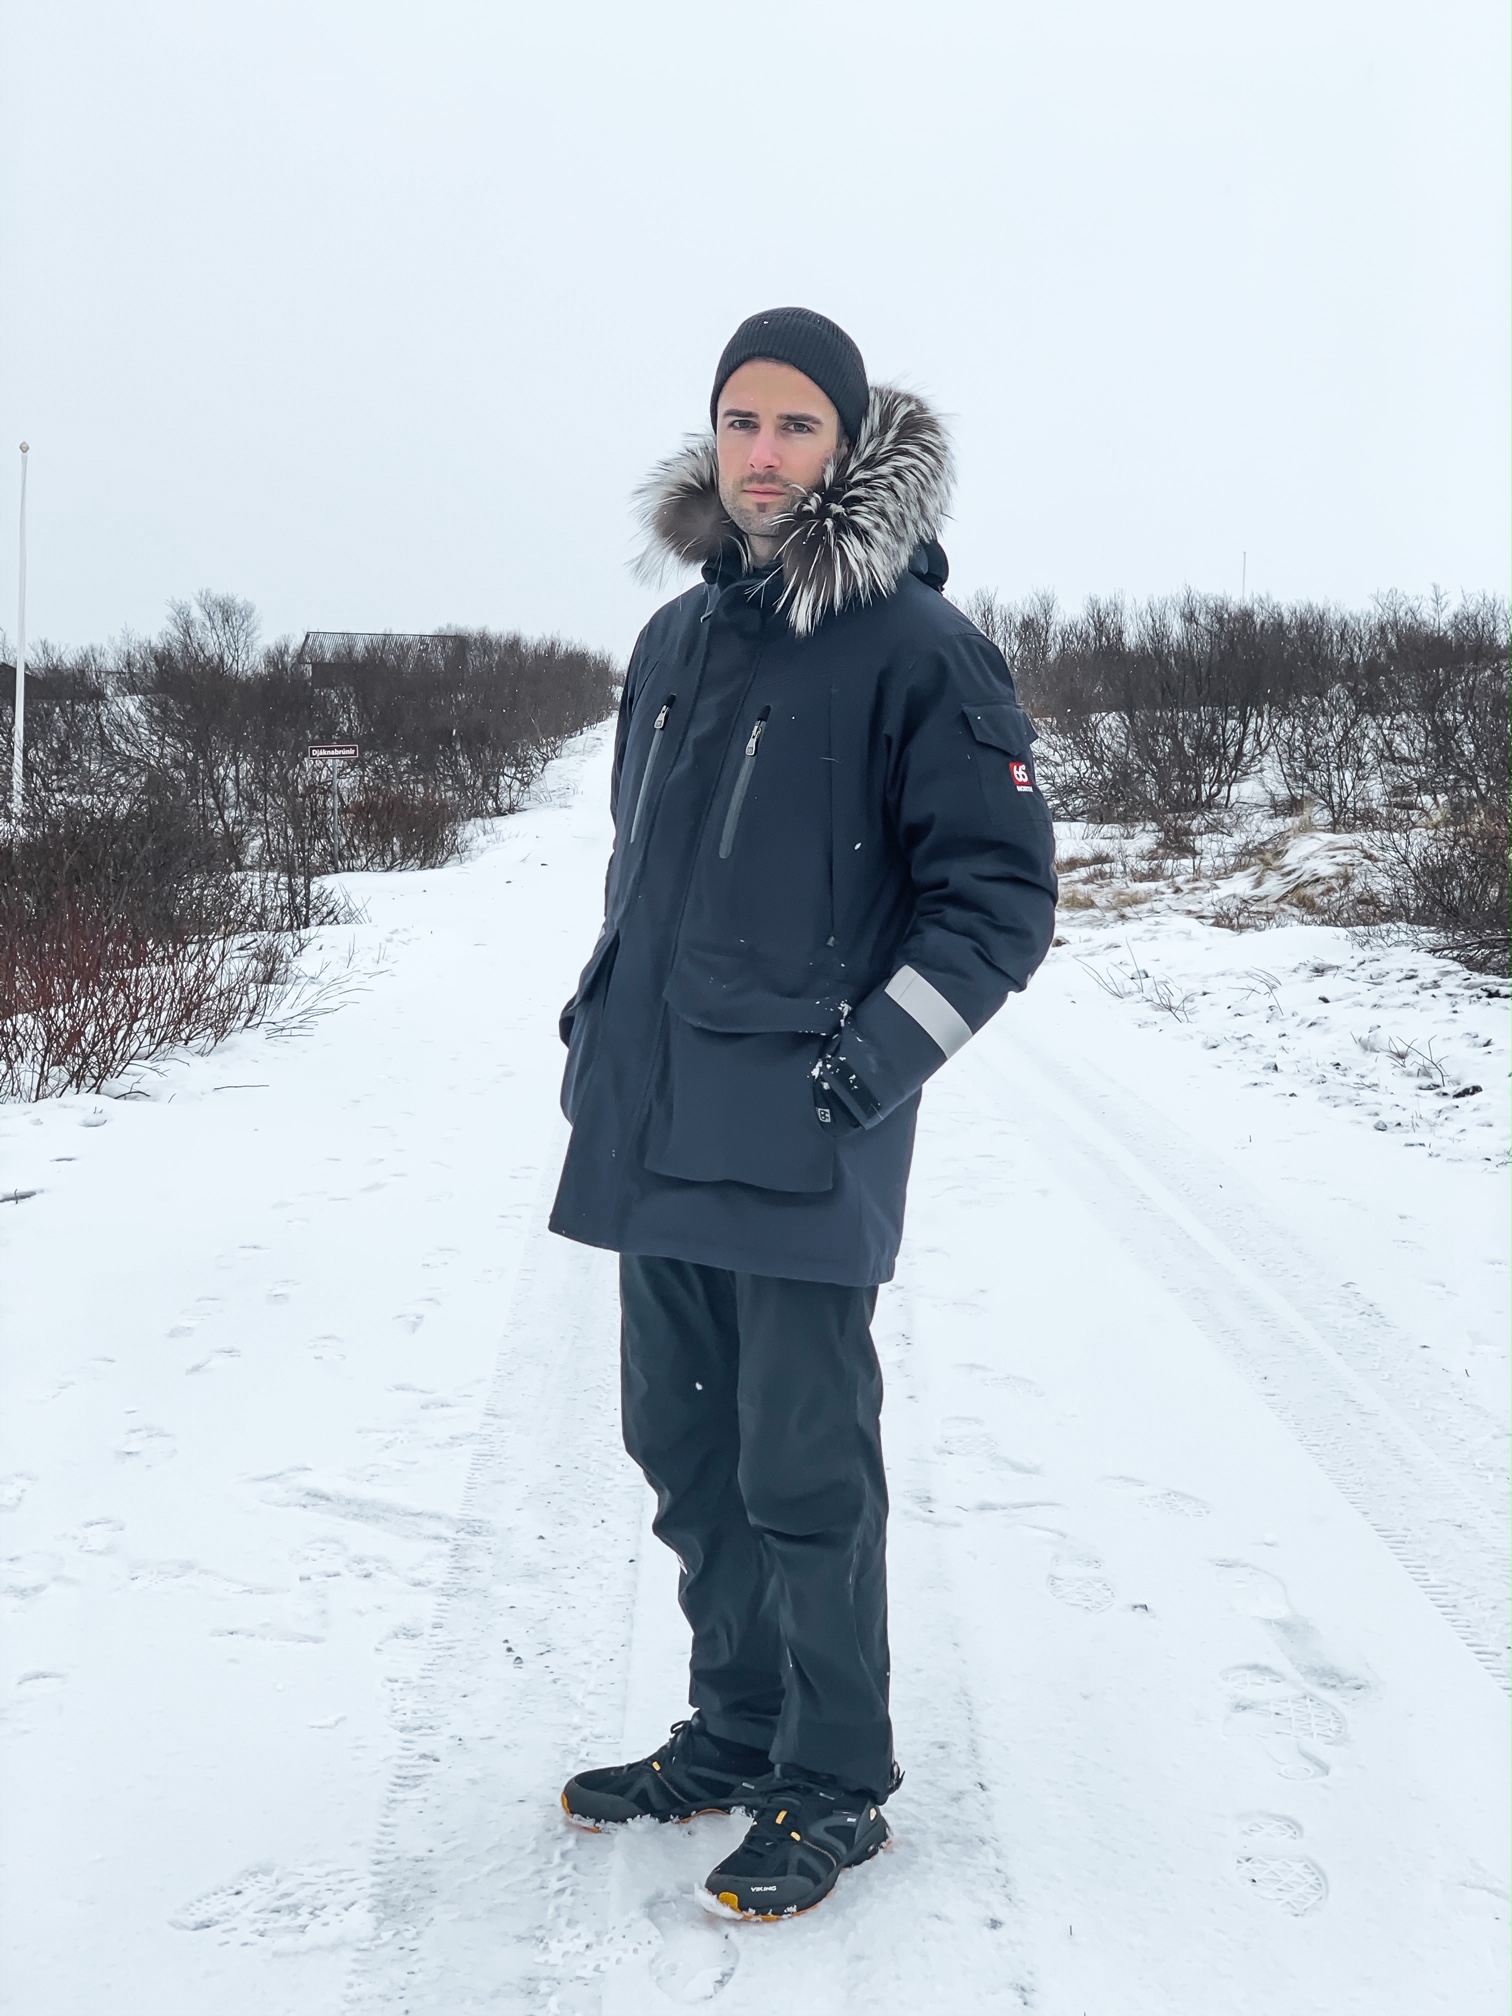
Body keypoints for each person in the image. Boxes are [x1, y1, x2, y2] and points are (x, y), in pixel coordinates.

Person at [550, 307, 1057, 1919]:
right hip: (657, 1118)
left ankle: (835, 1778)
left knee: (801, 1471)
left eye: (795, 425)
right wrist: (600, 1022)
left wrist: (872, 1061)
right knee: (685, 1446)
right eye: (739, 422)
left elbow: (1000, 902)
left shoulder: (919, 650)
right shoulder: (675, 642)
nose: (761, 455)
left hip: (800, 1127)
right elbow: (647, 872)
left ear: (848, 444)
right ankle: (736, 1725)